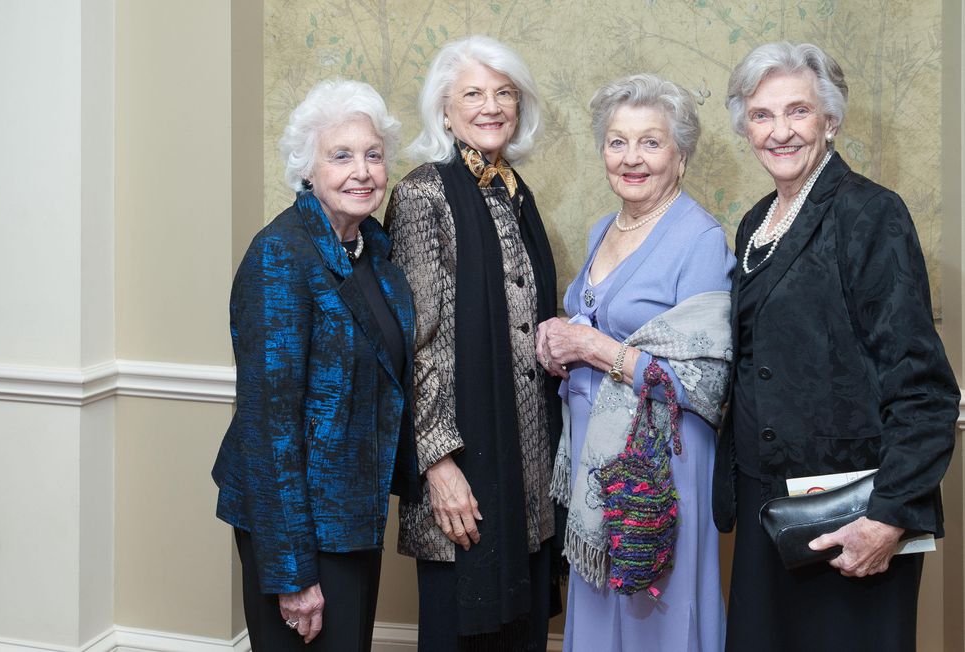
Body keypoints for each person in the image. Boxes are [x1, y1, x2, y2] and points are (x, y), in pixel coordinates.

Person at [715, 41, 960, 650]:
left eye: (798, 111)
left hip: (851, 514)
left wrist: (885, 517)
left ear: (830, 119)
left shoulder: (869, 214)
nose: (779, 132)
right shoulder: (755, 222)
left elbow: (924, 388)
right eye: (762, 115)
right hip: (770, 510)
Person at [211, 79, 419, 652]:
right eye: (342, 155)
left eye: (374, 155)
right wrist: (293, 573)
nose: (363, 171)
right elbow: (268, 427)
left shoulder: (371, 248)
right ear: (309, 169)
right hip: (297, 525)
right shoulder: (279, 256)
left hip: (352, 514)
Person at [537, 74, 733, 652]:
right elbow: (593, 324)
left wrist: (593, 349)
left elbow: (703, 381)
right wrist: (560, 342)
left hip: (661, 457)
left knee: (658, 603)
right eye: (617, 142)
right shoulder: (603, 229)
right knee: (599, 598)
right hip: (595, 452)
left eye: (651, 142)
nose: (631, 158)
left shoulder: (700, 240)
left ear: (681, 154)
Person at [384, 35, 562, 651]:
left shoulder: (516, 193)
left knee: (522, 630)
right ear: (445, 110)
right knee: (464, 630)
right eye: (473, 94)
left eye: (504, 93)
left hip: (527, 466)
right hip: (463, 465)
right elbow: (418, 344)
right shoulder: (420, 197)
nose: (491, 106)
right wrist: (438, 465)